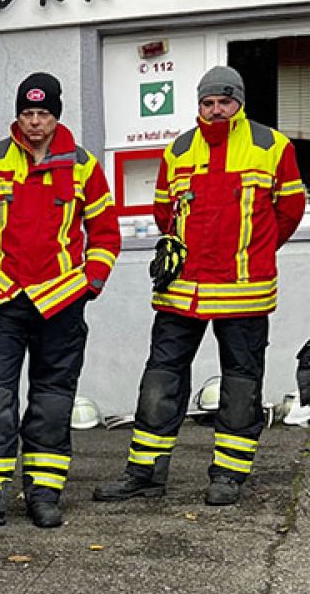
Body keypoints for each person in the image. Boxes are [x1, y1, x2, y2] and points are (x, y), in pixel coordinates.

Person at [94, 66, 306, 507]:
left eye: (224, 102)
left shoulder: (273, 146)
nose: (215, 110)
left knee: (240, 385)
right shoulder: (178, 149)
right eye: (207, 103)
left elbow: (288, 212)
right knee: (160, 380)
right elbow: (163, 213)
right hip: (181, 291)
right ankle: (145, 473)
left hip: (243, 291)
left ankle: (229, 475)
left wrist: (253, 251)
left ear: (239, 102)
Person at [0, 72, 121, 533]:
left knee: (52, 402)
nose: (35, 122)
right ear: (17, 116)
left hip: (61, 303)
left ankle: (43, 496)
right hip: (2, 301)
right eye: (27, 113)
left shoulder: (83, 166)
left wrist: (90, 284)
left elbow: (105, 233)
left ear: (56, 116)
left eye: (43, 113)